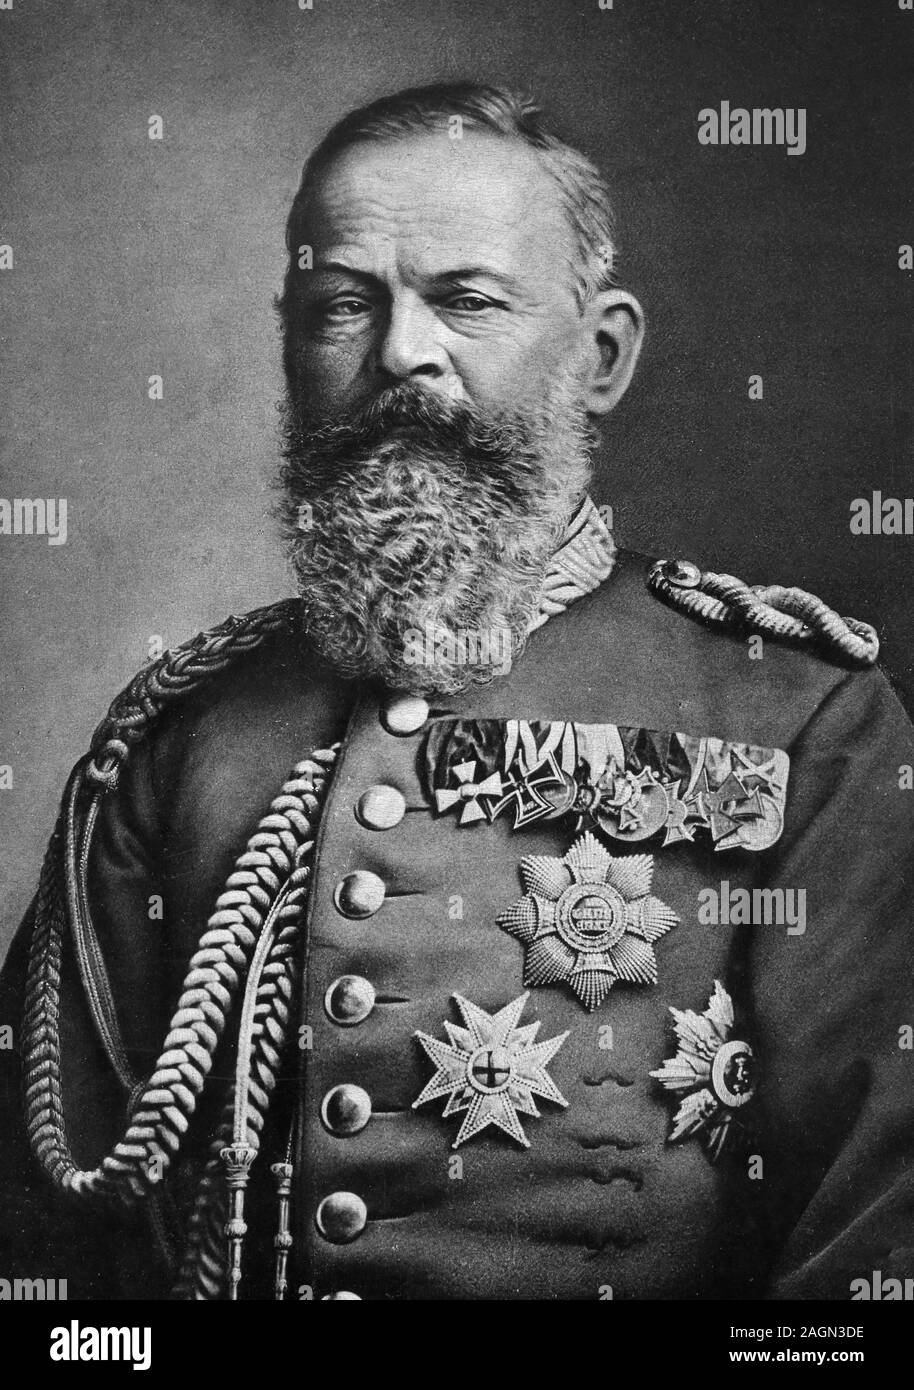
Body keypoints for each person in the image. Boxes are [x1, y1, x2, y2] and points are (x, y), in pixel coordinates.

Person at [1, 81, 911, 1302]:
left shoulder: (796, 714)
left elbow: (876, 1243)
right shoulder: (180, 734)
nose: (398, 353)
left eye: (466, 299)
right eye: (341, 305)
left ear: (600, 356)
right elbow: (44, 1244)